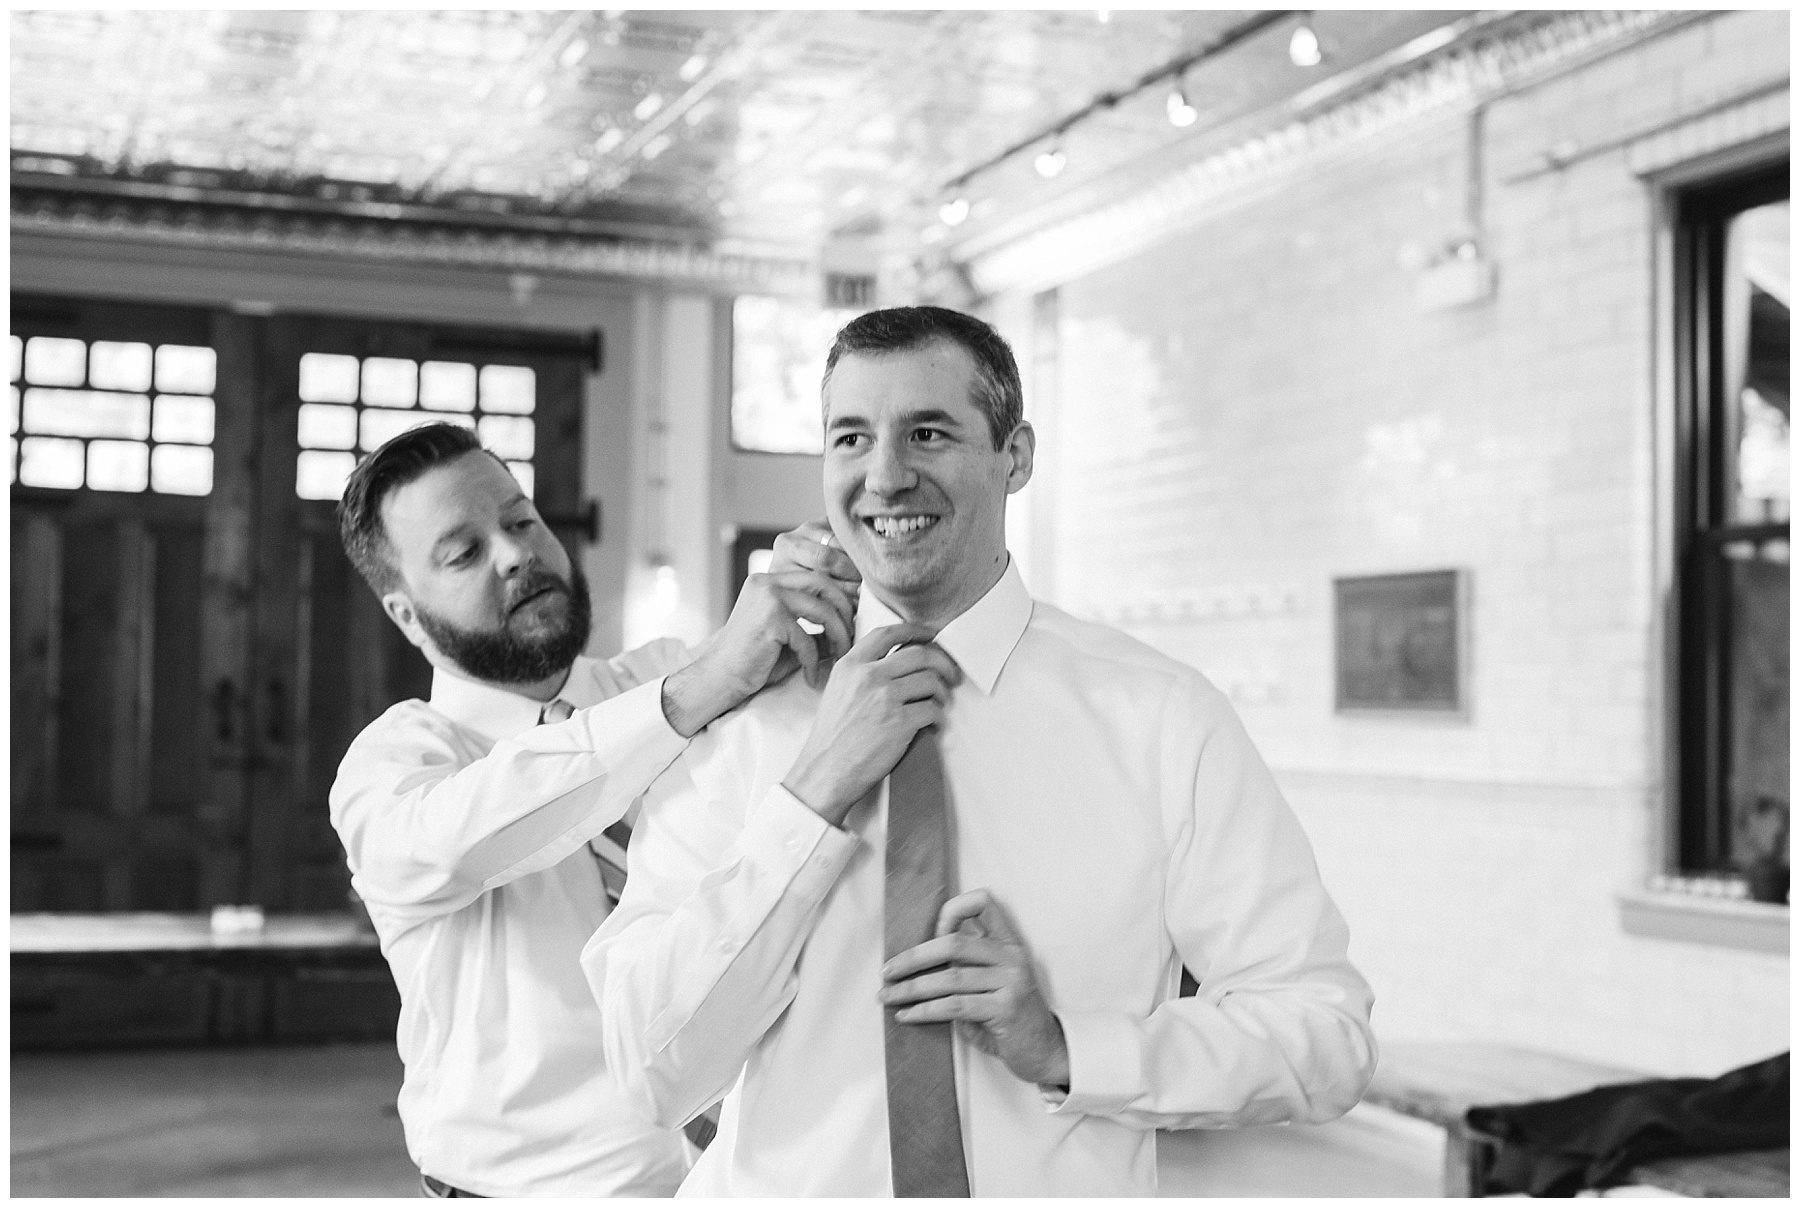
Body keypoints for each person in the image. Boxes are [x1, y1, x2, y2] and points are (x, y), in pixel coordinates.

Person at [582, 306, 1379, 1196]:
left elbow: (1325, 1033)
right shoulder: (740, 723)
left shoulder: (1161, 718)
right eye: (852, 438)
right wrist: (809, 796)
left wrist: (1071, 1048)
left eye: (928, 433)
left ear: (1016, 456)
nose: (886, 476)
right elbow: (650, 1072)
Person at [328, 421, 861, 1198]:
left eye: (520, 520)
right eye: (465, 552)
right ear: (406, 614)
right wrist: (687, 699)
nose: (515, 554)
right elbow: (453, 843)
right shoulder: (396, 765)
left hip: (736, 1181)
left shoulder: (665, 676)